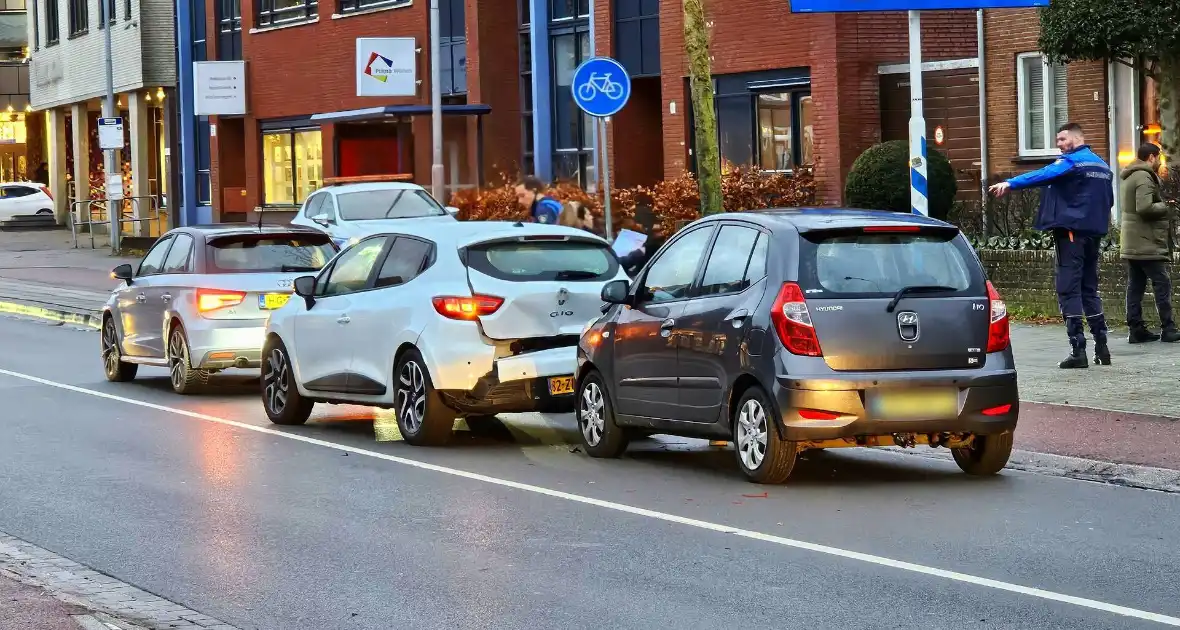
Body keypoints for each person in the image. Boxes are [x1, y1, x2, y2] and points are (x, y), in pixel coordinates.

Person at [989, 122, 1114, 369]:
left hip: (1070, 233)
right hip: (1094, 233)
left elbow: (1041, 175)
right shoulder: (1102, 165)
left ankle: (1078, 350)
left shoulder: (1071, 162)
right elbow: (1108, 201)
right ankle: (1102, 347)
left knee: (1069, 288)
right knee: (1090, 288)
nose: (1058, 144)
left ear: (1077, 139)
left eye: (1062, 139)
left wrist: (1010, 183)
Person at [1119, 143, 1178, 343]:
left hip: (1133, 240)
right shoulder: (1144, 176)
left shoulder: (1130, 175)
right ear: (1151, 157)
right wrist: (1165, 205)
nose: (1159, 161)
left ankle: (1136, 330)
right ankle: (1168, 329)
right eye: (1158, 157)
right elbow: (1144, 207)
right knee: (1162, 283)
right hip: (1146, 241)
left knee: (1135, 285)